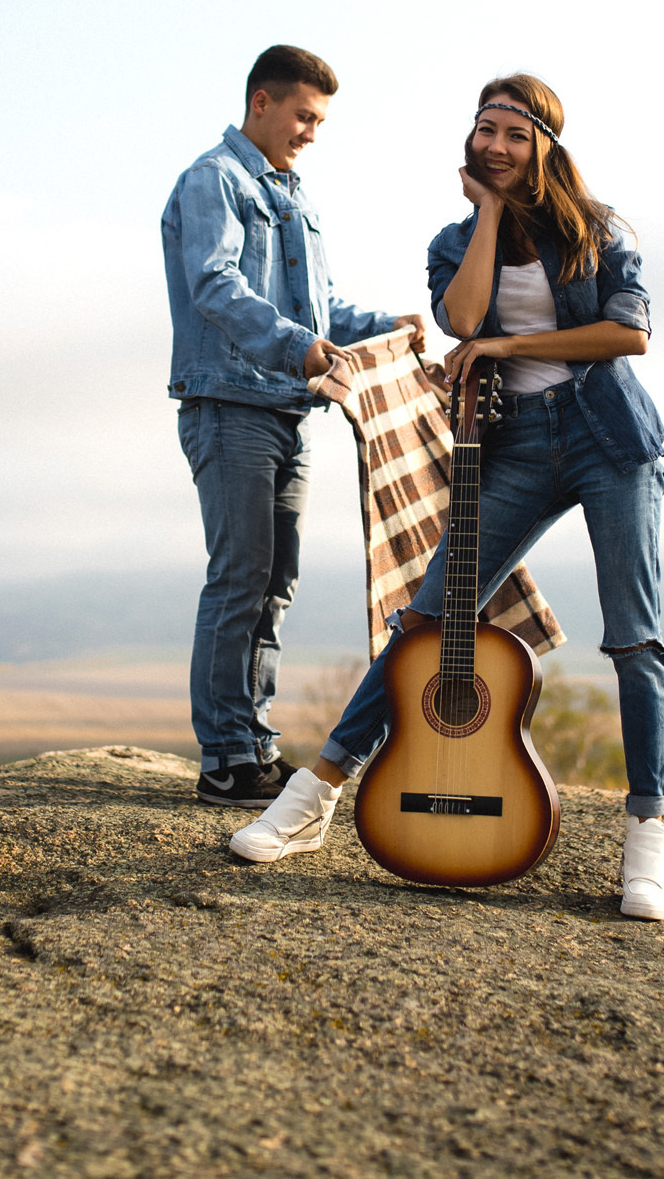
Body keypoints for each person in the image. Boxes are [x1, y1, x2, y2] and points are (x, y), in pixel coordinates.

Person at [229, 72, 664, 918]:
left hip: (610, 440)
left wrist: (510, 347)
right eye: (486, 130)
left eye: (516, 135)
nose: (496, 146)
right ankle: (313, 796)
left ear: (546, 146)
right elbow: (464, 322)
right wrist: (492, 215)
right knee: (425, 624)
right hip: (517, 448)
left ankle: (648, 838)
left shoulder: (597, 230)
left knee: (633, 639)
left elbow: (628, 334)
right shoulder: (454, 239)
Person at [162, 46, 423, 808]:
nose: (311, 132)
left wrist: (384, 326)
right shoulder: (214, 180)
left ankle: (256, 744)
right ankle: (224, 760)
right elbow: (215, 285)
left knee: (276, 584)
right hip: (228, 406)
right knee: (239, 577)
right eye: (304, 116)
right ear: (262, 102)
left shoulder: (293, 195)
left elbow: (321, 310)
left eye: (319, 121)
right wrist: (295, 345)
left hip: (289, 411)